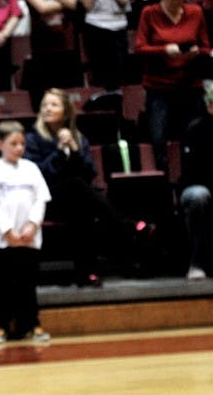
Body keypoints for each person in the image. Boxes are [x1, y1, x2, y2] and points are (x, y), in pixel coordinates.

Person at [24, 88, 151, 286]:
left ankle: (86, 274)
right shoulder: (33, 138)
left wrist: (74, 150)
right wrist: (60, 152)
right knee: (76, 187)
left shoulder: (78, 137)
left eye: (54, 105)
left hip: (75, 199)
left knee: (80, 206)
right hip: (44, 200)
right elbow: (36, 174)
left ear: (66, 111)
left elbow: (90, 172)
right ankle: (127, 226)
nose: (48, 109)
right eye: (45, 105)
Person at [0, 119, 51, 344]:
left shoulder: (31, 168)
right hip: (3, 241)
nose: (19, 148)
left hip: (29, 238)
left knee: (27, 283)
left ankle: (31, 324)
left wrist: (32, 225)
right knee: (2, 284)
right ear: (0, 144)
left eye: (22, 143)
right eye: (14, 143)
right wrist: (8, 231)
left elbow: (41, 200)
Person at [133, 0, 211, 172]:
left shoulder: (195, 12)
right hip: (159, 86)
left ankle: (192, 175)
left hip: (190, 84)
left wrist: (196, 52)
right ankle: (163, 178)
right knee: (158, 138)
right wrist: (164, 50)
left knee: (193, 135)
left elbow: (206, 48)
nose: (174, 1)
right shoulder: (149, 13)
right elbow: (139, 48)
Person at [178, 79, 213, 280]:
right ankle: (196, 261)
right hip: (200, 187)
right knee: (198, 196)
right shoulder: (196, 131)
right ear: (210, 107)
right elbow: (192, 171)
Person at [20, 0, 80, 91]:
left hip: (66, 43)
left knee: (67, 91)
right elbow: (42, 7)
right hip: (42, 45)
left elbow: (72, 3)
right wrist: (64, 2)